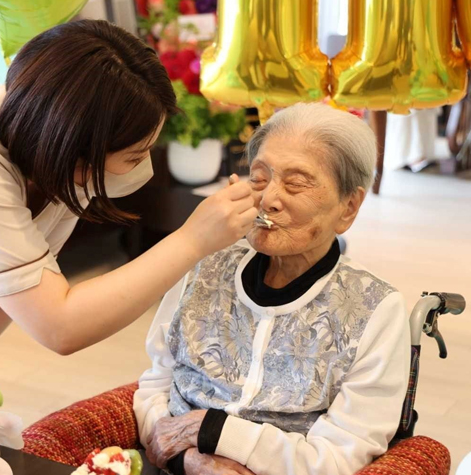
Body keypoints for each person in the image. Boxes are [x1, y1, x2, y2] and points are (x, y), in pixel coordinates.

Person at [0, 20, 257, 370]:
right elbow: (60, 326)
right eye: (135, 154)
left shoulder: (58, 147)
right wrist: (192, 240)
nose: (142, 167)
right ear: (74, 149)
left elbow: (17, 284)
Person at [134, 103, 410, 475]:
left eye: (296, 183)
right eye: (259, 178)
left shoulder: (376, 309)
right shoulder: (204, 264)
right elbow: (156, 383)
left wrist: (215, 431)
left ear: (349, 207)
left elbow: (342, 454)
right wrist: (188, 460)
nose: (268, 199)